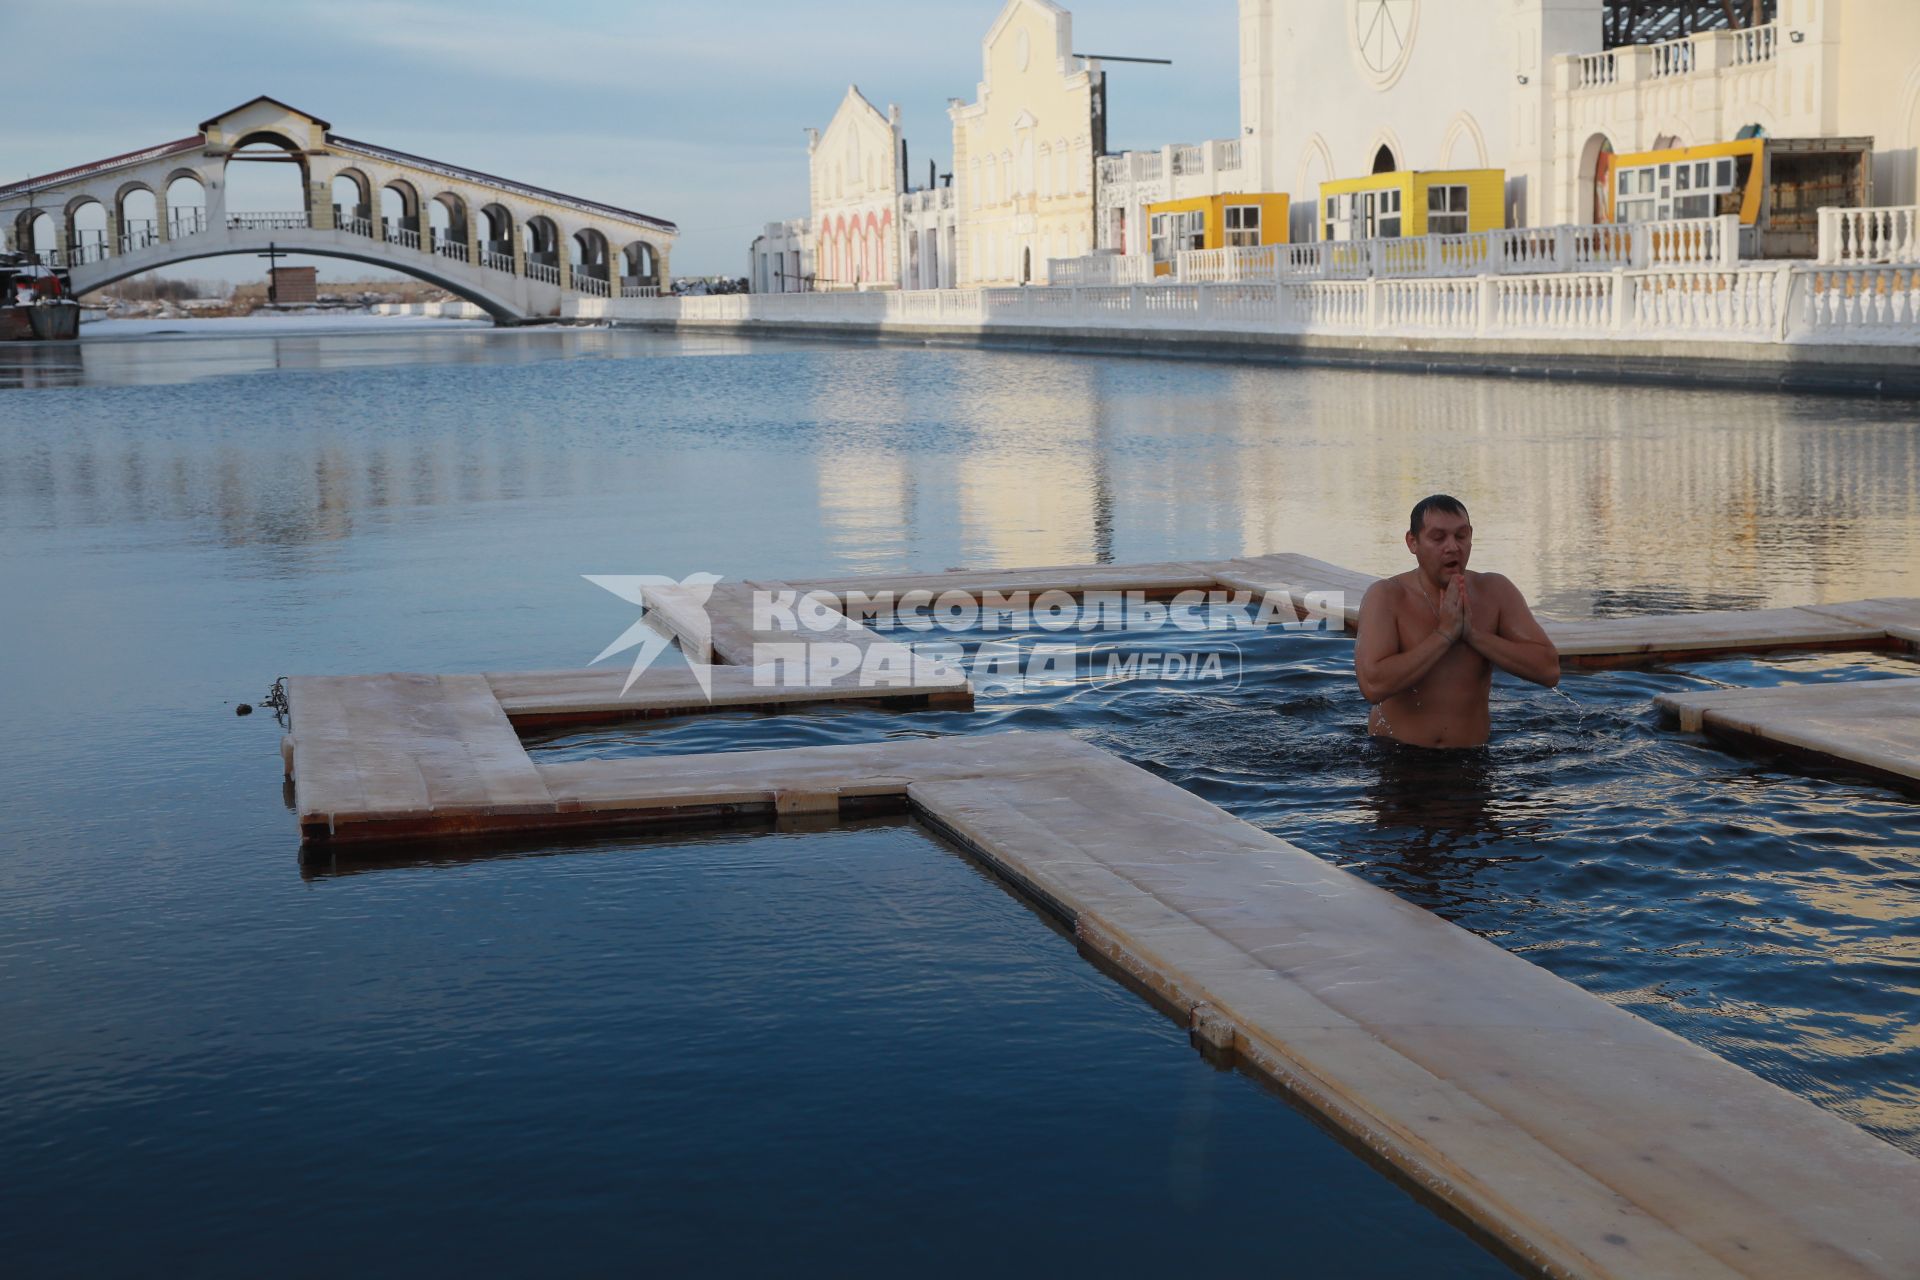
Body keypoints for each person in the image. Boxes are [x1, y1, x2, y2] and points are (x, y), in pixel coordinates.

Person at [1354, 494, 1560, 748]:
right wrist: (1444, 636)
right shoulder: (1387, 596)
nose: (1452, 547)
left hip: (1473, 760)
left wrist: (1473, 635)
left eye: (1461, 536)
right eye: (1438, 538)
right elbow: (1373, 685)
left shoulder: (1494, 591)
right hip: (1397, 757)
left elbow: (1549, 670)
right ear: (1412, 542)